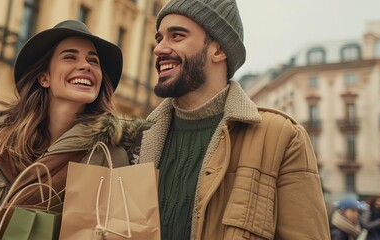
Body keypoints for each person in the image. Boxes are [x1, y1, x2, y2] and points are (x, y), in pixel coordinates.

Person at [135, 0, 330, 239]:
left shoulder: (282, 137)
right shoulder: (137, 138)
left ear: (219, 50)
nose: (159, 49)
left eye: (176, 36)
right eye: (159, 38)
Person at [0, 20, 145, 205]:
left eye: (93, 61)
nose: (86, 65)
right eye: (70, 57)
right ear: (44, 78)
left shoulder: (110, 156)